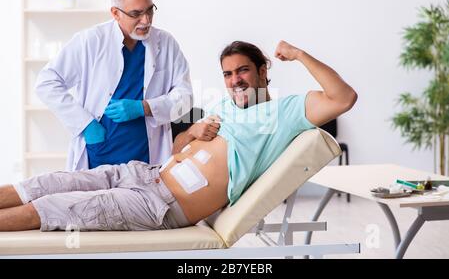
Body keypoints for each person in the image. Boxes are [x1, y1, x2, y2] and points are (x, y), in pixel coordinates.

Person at [0, 40, 356, 231]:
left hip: (162, 205)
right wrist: (193, 133)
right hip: (146, 173)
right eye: (228, 74)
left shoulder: (286, 111)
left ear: (263, 71)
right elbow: (177, 148)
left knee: (51, 208)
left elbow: (344, 98)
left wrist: (298, 54)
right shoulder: (223, 104)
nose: (235, 80)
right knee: (46, 183)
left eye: (243, 71)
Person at [35, 0, 193, 171]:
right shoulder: (90, 41)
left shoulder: (166, 43)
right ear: (116, 13)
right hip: (100, 154)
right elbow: (47, 82)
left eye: (150, 10)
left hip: (146, 159)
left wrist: (145, 107)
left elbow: (185, 98)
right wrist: (86, 125)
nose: (146, 20)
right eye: (136, 13)